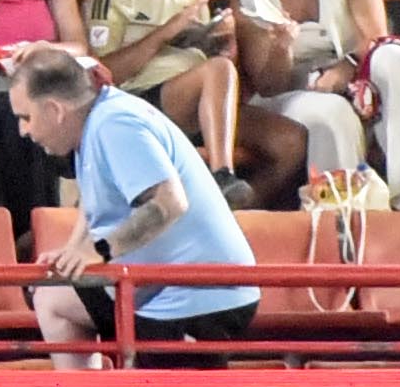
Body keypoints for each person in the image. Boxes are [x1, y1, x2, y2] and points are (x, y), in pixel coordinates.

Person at [20, 48, 258, 353]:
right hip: (163, 285)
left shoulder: (115, 124)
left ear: (56, 109)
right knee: (53, 298)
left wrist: (100, 250)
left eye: (26, 117)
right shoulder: (93, 125)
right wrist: (72, 252)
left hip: (200, 294)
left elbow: (170, 203)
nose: (23, 130)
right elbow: (97, 209)